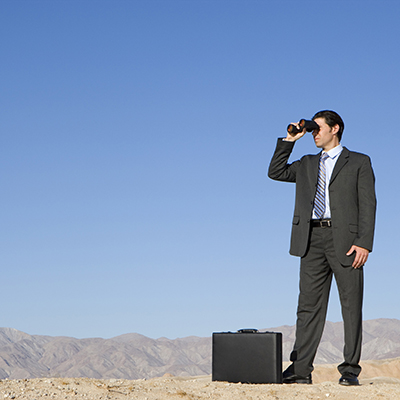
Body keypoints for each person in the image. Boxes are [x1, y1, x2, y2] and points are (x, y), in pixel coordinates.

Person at [268, 110, 376, 386]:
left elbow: (368, 205)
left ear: (335, 129)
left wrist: (364, 242)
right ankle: (300, 370)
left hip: (347, 242)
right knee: (307, 307)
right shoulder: (306, 163)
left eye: (317, 128)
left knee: (351, 307)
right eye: (312, 129)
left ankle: (350, 370)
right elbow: (276, 172)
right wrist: (291, 139)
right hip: (310, 239)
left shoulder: (359, 162)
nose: (314, 133)